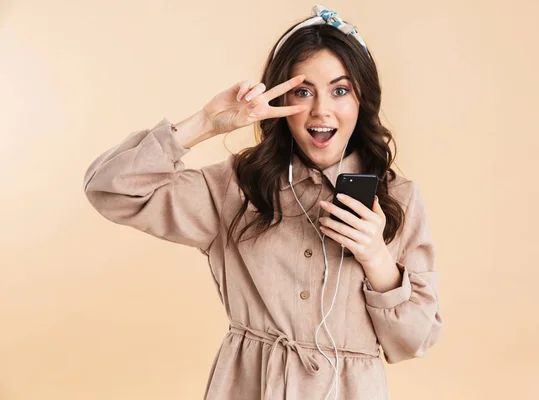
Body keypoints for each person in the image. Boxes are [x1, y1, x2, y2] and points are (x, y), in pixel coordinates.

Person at [83, 4, 443, 400]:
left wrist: (377, 258)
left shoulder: (397, 199)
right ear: (280, 100)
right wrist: (203, 123)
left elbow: (415, 341)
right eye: (303, 92)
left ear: (363, 100)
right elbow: (108, 188)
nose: (321, 110)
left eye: (340, 91)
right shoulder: (235, 187)